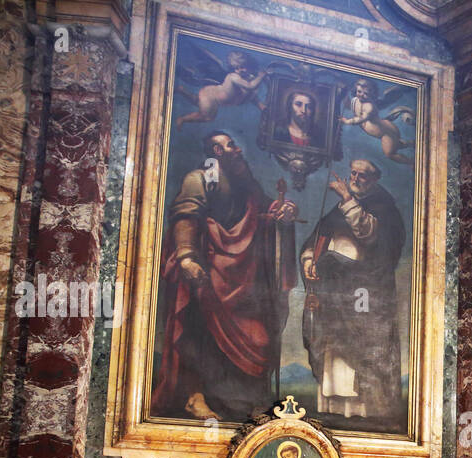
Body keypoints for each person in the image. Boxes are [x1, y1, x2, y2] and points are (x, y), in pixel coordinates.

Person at [152, 132, 298, 422]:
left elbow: (264, 209)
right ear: (217, 150)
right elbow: (186, 216)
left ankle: (248, 399)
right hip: (208, 269)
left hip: (244, 276)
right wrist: (186, 256)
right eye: (231, 145)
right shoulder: (199, 178)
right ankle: (196, 397)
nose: (238, 148)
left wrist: (283, 212)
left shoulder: (245, 183)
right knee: (200, 333)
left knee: (259, 332)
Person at [299, 158, 406, 422]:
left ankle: (365, 410)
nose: (356, 179)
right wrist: (309, 259)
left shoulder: (384, 207)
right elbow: (317, 238)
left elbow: (367, 233)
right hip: (333, 289)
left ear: (375, 180)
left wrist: (347, 197)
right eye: (353, 173)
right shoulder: (337, 210)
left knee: (361, 344)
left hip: (364, 291)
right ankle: (333, 407)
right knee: (332, 346)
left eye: (363, 176)